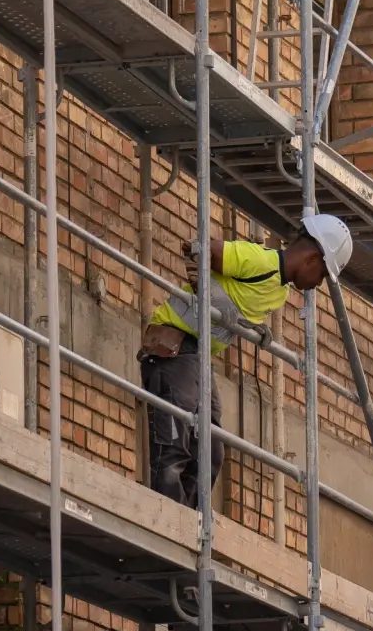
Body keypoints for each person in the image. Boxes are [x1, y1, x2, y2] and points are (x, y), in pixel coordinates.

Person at [139, 214, 353, 509]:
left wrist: (251, 327)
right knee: (175, 445)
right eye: (323, 274)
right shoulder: (259, 260)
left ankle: (189, 522)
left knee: (210, 453)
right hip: (173, 345)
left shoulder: (279, 291)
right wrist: (216, 299)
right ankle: (166, 519)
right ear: (312, 258)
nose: (318, 283)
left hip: (197, 357)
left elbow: (239, 301)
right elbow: (197, 249)